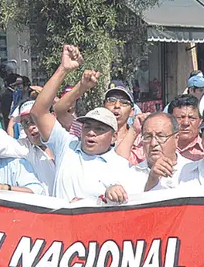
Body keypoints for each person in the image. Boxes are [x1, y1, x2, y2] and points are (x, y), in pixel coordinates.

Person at [28, 46, 130, 201]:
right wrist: (63, 69)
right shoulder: (66, 146)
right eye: (87, 126)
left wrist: (92, 204)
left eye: (100, 129)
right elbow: (38, 111)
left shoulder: (121, 166)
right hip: (57, 224)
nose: (91, 132)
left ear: (114, 137)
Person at [0, 98, 56, 192]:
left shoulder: (69, 142)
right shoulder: (25, 148)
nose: (31, 127)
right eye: (25, 123)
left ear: (52, 117)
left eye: (35, 119)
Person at [103, 112, 187, 202]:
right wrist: (111, 195)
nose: (153, 143)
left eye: (161, 136)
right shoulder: (130, 175)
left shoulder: (191, 170)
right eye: (148, 137)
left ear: (176, 138)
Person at [169, 94, 204, 161]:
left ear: (200, 121)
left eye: (192, 118)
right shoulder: (159, 147)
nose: (186, 123)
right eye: (180, 118)